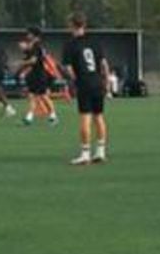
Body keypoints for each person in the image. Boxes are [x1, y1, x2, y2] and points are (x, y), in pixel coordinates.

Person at [62, 13, 110, 165]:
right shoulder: (95, 42)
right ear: (84, 25)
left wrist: (74, 81)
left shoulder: (70, 45)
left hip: (84, 83)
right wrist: (106, 81)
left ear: (71, 25)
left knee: (85, 117)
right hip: (97, 82)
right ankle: (101, 152)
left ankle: (85, 154)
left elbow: (68, 68)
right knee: (99, 116)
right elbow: (104, 64)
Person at [18, 27, 58, 126]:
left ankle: (53, 116)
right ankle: (29, 117)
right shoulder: (33, 46)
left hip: (40, 74)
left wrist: (20, 63)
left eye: (29, 33)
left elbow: (33, 60)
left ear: (34, 35)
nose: (27, 35)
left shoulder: (37, 46)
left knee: (43, 96)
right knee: (32, 95)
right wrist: (25, 50)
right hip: (34, 74)